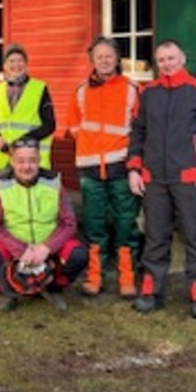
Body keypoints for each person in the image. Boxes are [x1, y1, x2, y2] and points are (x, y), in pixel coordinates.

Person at [127, 40, 196, 319]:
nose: (166, 63)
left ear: (182, 58)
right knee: (155, 237)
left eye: (171, 58)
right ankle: (151, 291)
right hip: (154, 180)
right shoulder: (147, 94)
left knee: (195, 237)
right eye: (161, 59)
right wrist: (134, 168)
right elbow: (137, 132)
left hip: (190, 179)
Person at [66, 37, 141, 299]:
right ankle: (95, 276)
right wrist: (91, 147)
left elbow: (140, 130)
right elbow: (74, 127)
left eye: (109, 56)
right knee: (94, 224)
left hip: (121, 167)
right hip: (89, 169)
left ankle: (127, 277)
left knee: (125, 223)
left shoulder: (132, 89)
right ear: (93, 60)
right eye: (99, 56)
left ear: (117, 58)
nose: (104, 60)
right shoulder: (80, 91)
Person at [0, 140, 88, 312]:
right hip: (16, 249)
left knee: (78, 254)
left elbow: (69, 224)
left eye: (32, 160)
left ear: (39, 161)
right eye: (21, 161)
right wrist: (21, 250)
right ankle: (8, 291)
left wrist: (46, 248)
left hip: (47, 249)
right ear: (12, 162)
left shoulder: (54, 183)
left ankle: (54, 288)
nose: (27, 166)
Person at [0, 44, 56, 173]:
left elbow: (50, 124)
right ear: (5, 65)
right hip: (3, 158)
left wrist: (25, 141)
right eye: (11, 61)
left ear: (26, 64)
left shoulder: (39, 88)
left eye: (20, 60)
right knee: (3, 193)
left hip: (30, 159)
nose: (16, 65)